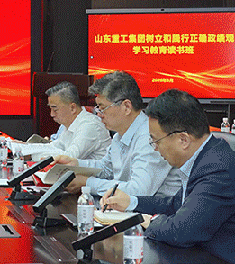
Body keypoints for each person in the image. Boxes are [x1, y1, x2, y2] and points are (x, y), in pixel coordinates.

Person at [99, 89, 235, 264]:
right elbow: (176, 204)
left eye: (155, 141)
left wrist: (148, 220)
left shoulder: (218, 168)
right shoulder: (204, 157)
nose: (154, 148)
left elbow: (182, 230)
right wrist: (131, 202)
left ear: (183, 140)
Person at [54, 70, 181, 200]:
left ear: (126, 106)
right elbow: (106, 169)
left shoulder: (150, 137)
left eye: (102, 108)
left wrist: (87, 183)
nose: (99, 114)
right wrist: (76, 164)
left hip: (156, 210)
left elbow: (139, 190)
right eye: (97, 108)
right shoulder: (119, 136)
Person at [29, 81, 110, 161]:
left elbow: (70, 157)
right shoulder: (70, 124)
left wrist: (31, 156)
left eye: (55, 109)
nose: (51, 114)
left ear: (72, 108)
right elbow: (54, 146)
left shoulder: (90, 125)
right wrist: (25, 149)